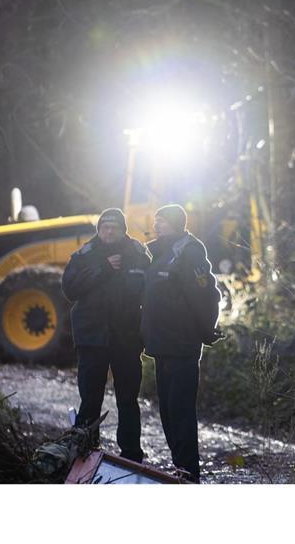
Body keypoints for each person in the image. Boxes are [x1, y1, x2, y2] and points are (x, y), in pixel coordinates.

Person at [61, 207, 150, 462]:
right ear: (99, 230)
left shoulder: (138, 254)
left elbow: (151, 294)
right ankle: (85, 453)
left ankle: (132, 456)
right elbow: (69, 289)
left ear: (123, 231)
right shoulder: (85, 255)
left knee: (128, 400)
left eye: (114, 228)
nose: (109, 232)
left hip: (127, 340)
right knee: (90, 400)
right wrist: (103, 268)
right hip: (92, 339)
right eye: (104, 228)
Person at [142, 203, 222, 482]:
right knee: (166, 412)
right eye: (156, 221)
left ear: (177, 224)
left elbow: (206, 296)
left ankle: (189, 475)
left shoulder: (189, 251)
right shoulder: (160, 253)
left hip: (182, 346)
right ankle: (179, 468)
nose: (156, 225)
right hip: (161, 346)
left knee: (181, 413)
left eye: (161, 221)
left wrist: (206, 331)